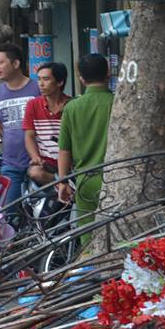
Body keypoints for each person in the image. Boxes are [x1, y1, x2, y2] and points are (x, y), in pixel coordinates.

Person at [57, 54, 113, 228]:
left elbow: (64, 150)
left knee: (88, 236)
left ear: (80, 78)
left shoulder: (72, 108)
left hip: (85, 181)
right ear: (108, 73)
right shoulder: (117, 102)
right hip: (117, 177)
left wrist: (63, 182)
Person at [0, 43, 41, 207]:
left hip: (40, 162)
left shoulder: (38, 88)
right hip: (11, 163)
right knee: (9, 213)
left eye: (1, 62)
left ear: (16, 64)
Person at [23, 62, 71, 186]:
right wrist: (35, 156)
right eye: (39, 79)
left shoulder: (72, 105)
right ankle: (62, 183)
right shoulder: (32, 105)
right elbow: (29, 136)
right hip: (46, 164)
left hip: (70, 162)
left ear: (60, 82)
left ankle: (65, 182)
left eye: (46, 79)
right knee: (35, 172)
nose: (41, 84)